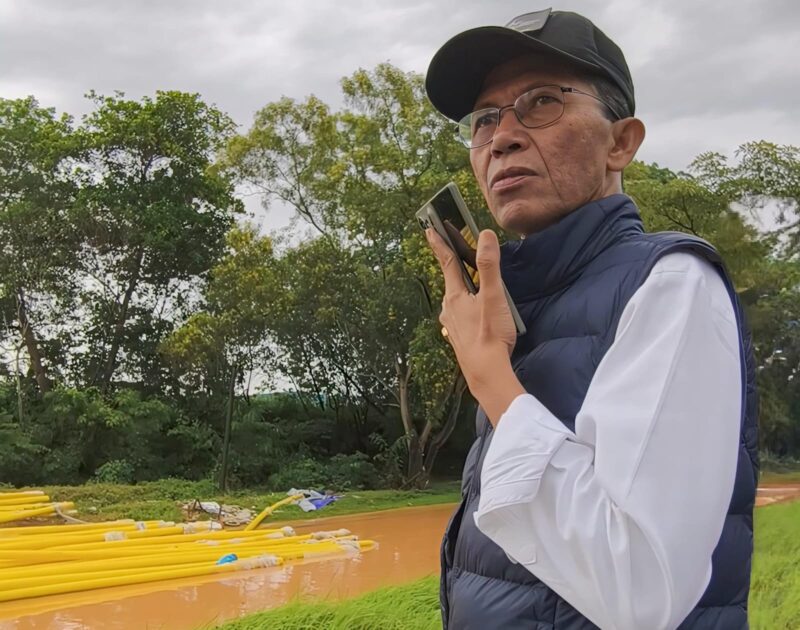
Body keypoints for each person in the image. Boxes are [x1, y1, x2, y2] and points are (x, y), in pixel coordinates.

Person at [423, 9, 757, 630]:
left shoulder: (670, 284)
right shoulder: (525, 305)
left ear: (621, 141)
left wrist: (491, 377)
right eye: (485, 119)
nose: (502, 137)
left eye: (541, 101)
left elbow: (640, 591)